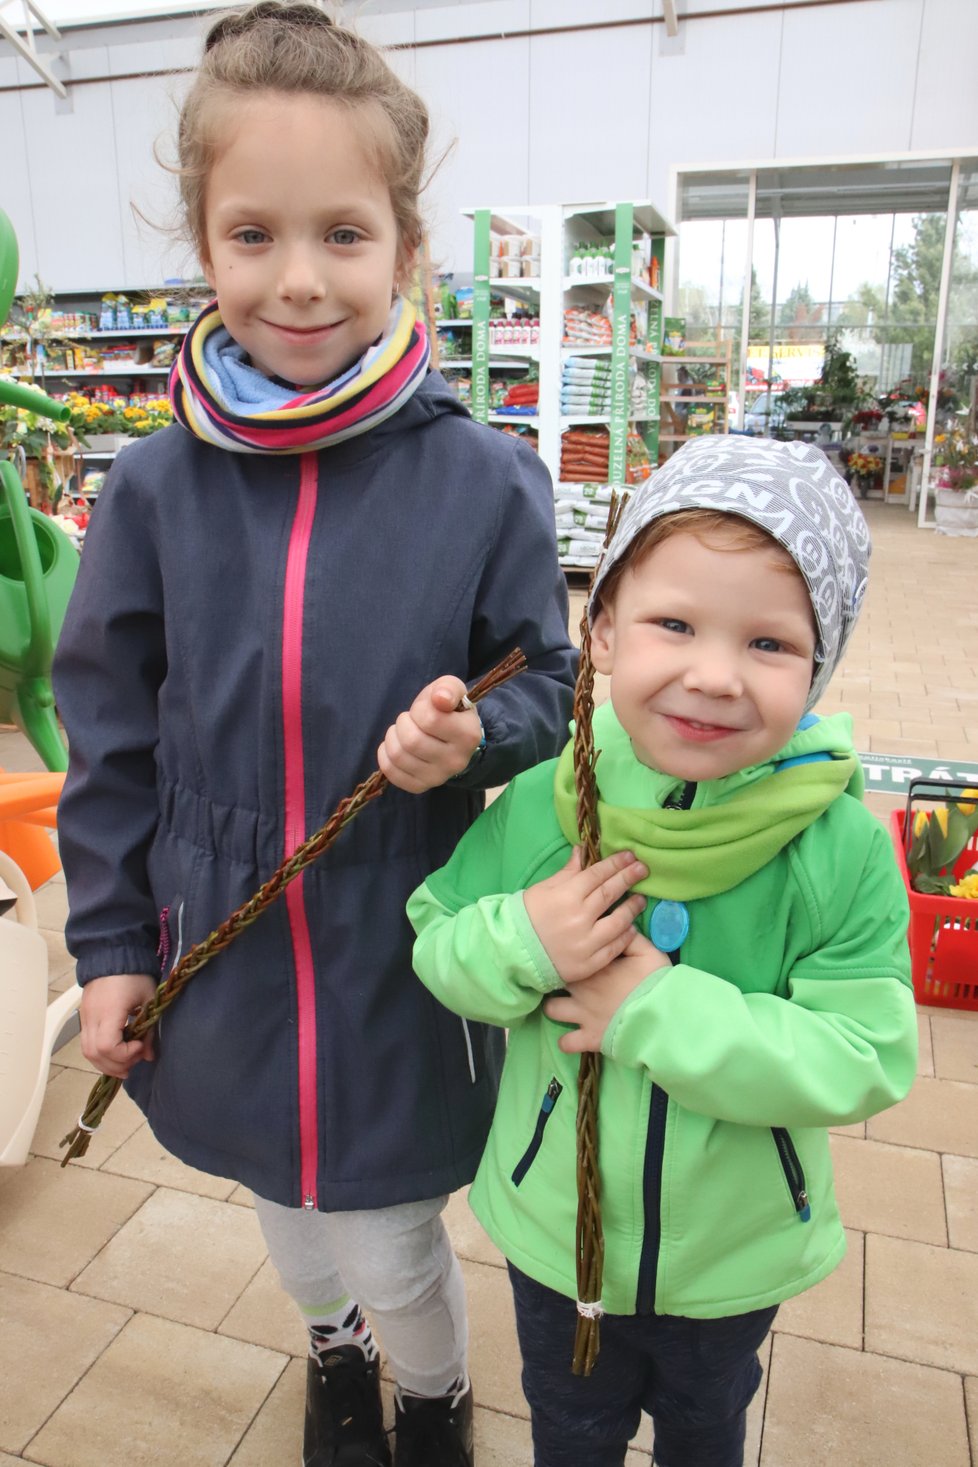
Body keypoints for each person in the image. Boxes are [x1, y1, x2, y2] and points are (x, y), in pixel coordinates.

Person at [52, 6, 577, 1466]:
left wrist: (470, 733)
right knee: (280, 1200)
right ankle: (329, 1345)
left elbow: (553, 687)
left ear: (405, 248)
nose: (298, 279)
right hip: (213, 925)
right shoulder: (153, 485)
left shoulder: (485, 481)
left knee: (389, 1216)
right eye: (254, 234)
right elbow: (105, 736)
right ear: (204, 244)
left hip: (396, 936)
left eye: (343, 234)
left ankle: (433, 1388)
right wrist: (110, 945)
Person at [409, 434, 918, 1467]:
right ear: (600, 631)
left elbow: (865, 1054)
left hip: (732, 1259)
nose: (715, 676)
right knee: (573, 1430)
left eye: (770, 644)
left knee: (704, 1430)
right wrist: (526, 939)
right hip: (559, 1243)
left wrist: (654, 1010)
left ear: (821, 665)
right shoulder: (557, 800)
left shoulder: (839, 846)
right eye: (673, 624)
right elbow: (437, 937)